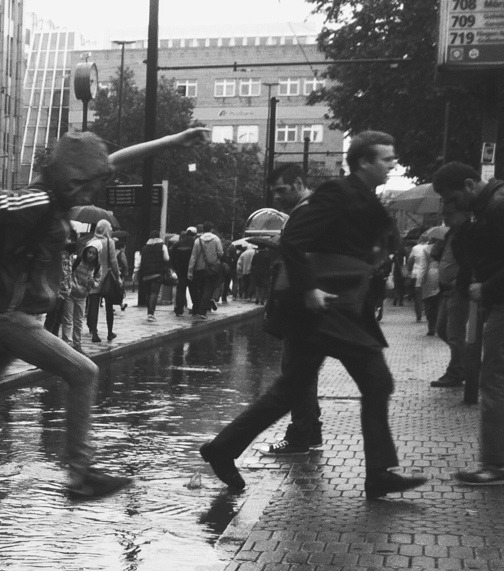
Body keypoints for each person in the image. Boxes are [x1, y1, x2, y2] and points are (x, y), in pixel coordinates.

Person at [0, 126, 210, 535]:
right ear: (72, 179)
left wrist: (173, 140)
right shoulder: (32, 198)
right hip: (9, 319)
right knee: (84, 372)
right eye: (87, 188)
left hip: (3, 318)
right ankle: (80, 473)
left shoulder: (57, 196)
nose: (89, 198)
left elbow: (117, 158)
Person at [200, 131, 426, 500]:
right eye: (386, 159)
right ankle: (379, 473)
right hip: (326, 307)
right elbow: (293, 241)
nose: (393, 164)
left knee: (296, 386)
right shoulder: (338, 193)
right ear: (364, 162)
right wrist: (310, 289)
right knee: (372, 382)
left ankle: (223, 448)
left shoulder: (361, 197)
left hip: (340, 305)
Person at [431, 161, 504, 486]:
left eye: (451, 198)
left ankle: (495, 465)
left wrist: (486, 288)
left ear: (469, 185)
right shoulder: (486, 208)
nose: (449, 206)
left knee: (493, 379)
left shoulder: (497, 206)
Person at [261, 162, 324, 457]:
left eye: (281, 190)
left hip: (301, 305)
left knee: (296, 372)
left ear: (298, 183)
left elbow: (306, 255)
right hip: (305, 303)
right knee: (303, 370)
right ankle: (310, 431)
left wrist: (281, 245)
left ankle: (299, 436)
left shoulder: (307, 210)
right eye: (274, 191)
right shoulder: (311, 208)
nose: (276, 197)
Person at [432, 208, 469, 388]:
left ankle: (457, 371)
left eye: (449, 212)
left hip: (458, 289)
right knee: (442, 329)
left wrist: (460, 280)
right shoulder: (450, 234)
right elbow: (440, 256)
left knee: (455, 334)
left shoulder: (466, 233)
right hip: (446, 289)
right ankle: (466, 363)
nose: (445, 217)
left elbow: (469, 261)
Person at [86, 219, 122, 342]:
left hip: (94, 277)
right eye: (110, 227)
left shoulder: (91, 242)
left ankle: (94, 333)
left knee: (93, 306)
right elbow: (113, 261)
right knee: (109, 306)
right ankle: (109, 332)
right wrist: (117, 277)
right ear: (106, 229)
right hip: (107, 278)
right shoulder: (109, 242)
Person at [133, 230, 172, 321]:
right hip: (158, 273)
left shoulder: (144, 248)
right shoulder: (163, 246)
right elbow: (166, 258)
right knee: (154, 293)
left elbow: (139, 262)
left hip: (146, 274)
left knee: (148, 293)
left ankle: (149, 312)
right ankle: (151, 313)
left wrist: (135, 273)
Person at [188, 222, 224, 316]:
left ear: (203, 229)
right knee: (208, 289)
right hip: (212, 269)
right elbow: (220, 253)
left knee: (199, 289)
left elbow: (193, 257)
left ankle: (197, 308)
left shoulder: (198, 240)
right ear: (212, 229)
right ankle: (202, 311)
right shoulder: (216, 239)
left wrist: (190, 271)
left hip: (199, 269)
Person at [170, 227, 196, 315]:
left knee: (181, 290)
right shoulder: (195, 244)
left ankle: (179, 309)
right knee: (193, 289)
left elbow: (172, 257)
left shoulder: (178, 244)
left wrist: (175, 268)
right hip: (192, 270)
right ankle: (195, 308)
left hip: (180, 270)